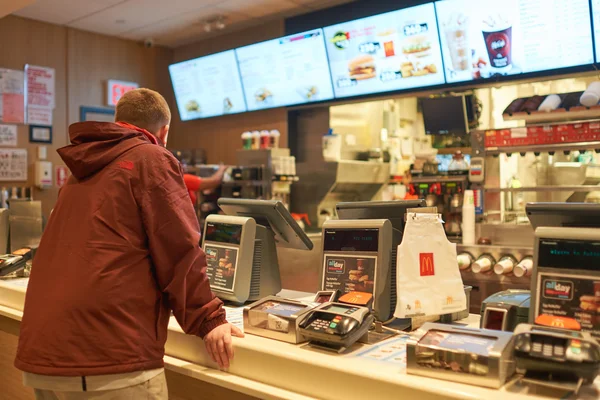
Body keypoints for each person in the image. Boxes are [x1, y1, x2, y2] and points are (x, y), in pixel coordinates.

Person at [14, 88, 243, 400]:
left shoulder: (80, 168)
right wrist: (209, 318)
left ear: (117, 122)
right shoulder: (152, 158)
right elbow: (179, 249)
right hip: (107, 353)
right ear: (164, 132)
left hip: (45, 351)